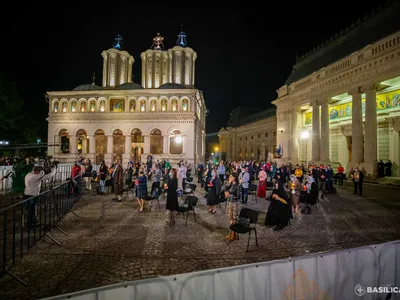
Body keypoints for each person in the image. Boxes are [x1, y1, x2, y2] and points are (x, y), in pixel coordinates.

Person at [223, 174, 240, 241]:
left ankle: (233, 234)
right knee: (230, 217)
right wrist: (228, 183)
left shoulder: (237, 186)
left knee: (234, 218)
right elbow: (224, 189)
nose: (230, 178)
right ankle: (231, 233)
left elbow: (238, 196)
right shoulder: (230, 185)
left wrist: (230, 196)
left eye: (231, 177)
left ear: (235, 178)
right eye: (229, 176)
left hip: (234, 204)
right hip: (229, 202)